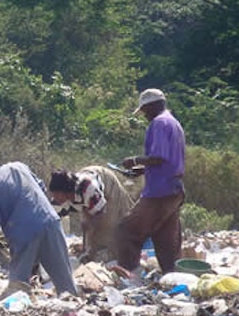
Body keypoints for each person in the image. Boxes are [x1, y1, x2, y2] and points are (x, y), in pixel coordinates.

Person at [0, 150, 78, 295]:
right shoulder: (18, 167)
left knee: (18, 285)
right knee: (64, 278)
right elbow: (41, 187)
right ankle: (74, 307)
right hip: (51, 222)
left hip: (24, 233)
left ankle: (18, 312)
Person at [115, 88, 186, 275]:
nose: (144, 115)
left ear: (152, 106)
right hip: (174, 189)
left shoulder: (159, 123)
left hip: (159, 192)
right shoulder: (174, 123)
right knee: (165, 239)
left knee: (126, 231)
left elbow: (158, 157)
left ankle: (129, 276)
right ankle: (171, 276)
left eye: (144, 110)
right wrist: (143, 170)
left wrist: (135, 160)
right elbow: (168, 161)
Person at [48, 166, 134, 262]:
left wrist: (92, 246)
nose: (54, 197)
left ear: (65, 191)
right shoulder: (60, 199)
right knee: (87, 228)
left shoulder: (88, 188)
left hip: (107, 185)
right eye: (53, 195)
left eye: (56, 194)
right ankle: (87, 251)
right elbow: (53, 220)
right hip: (87, 196)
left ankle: (116, 256)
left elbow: (99, 215)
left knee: (106, 232)